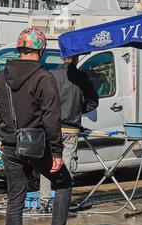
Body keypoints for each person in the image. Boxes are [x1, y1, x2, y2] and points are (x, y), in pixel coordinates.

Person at [0, 27, 83, 225]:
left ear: (19, 48)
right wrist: (57, 151)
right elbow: (52, 118)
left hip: (10, 147)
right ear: (40, 50)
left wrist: (5, 136)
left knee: (15, 202)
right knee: (63, 183)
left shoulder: (0, 78)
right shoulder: (44, 78)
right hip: (39, 147)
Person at [39, 55, 99, 208]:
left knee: (48, 164)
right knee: (65, 168)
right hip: (71, 127)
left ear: (62, 57)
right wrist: (80, 110)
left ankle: (43, 201)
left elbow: (42, 100)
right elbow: (93, 101)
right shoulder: (82, 76)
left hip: (52, 126)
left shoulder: (52, 74)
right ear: (77, 59)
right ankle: (62, 203)